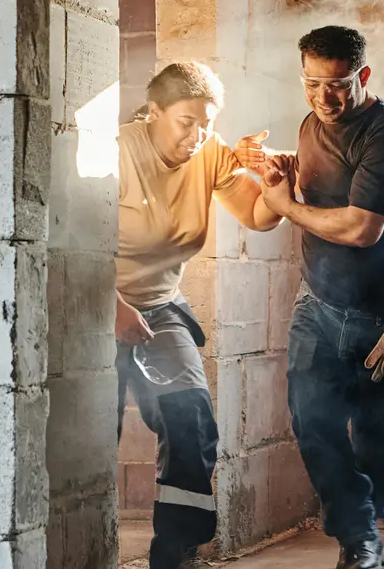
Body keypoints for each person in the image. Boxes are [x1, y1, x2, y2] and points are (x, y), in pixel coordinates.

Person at [235, 26, 384, 569]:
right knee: (312, 423)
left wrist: (285, 205)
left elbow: (360, 229)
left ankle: (363, 528)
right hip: (317, 303)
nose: (324, 97)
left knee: (376, 440)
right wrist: (279, 171)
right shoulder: (311, 123)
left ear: (362, 76)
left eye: (337, 85)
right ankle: (359, 540)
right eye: (312, 83)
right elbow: (315, 183)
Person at [116, 61, 285, 569]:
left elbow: (257, 215)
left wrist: (274, 184)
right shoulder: (117, 151)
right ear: (155, 112)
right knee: (91, 433)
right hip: (93, 303)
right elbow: (69, 243)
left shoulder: (209, 152)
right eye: (186, 122)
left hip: (159, 308)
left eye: (206, 124)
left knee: (192, 421)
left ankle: (177, 553)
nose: (197, 135)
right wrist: (110, 307)